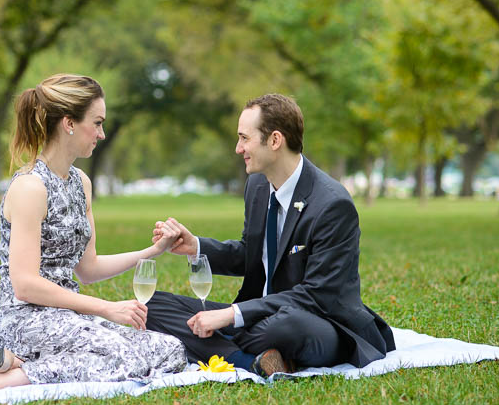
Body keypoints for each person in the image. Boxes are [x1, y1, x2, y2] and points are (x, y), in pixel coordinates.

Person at [0, 74, 187, 392]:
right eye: (96, 123)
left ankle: (22, 362)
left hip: (69, 318)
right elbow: (25, 285)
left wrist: (152, 252)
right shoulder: (30, 187)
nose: (102, 133)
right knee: (124, 357)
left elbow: (88, 268)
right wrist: (107, 308)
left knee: (170, 351)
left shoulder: (81, 183)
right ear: (69, 123)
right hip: (26, 320)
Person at [146, 94, 395, 377]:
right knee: (150, 306)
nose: (238, 148)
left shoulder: (332, 204)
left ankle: (226, 346)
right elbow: (251, 254)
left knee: (285, 326)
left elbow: (317, 295)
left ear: (275, 140)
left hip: (319, 321)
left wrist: (232, 316)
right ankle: (248, 360)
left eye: (244, 138)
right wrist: (196, 247)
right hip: (260, 317)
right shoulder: (257, 186)